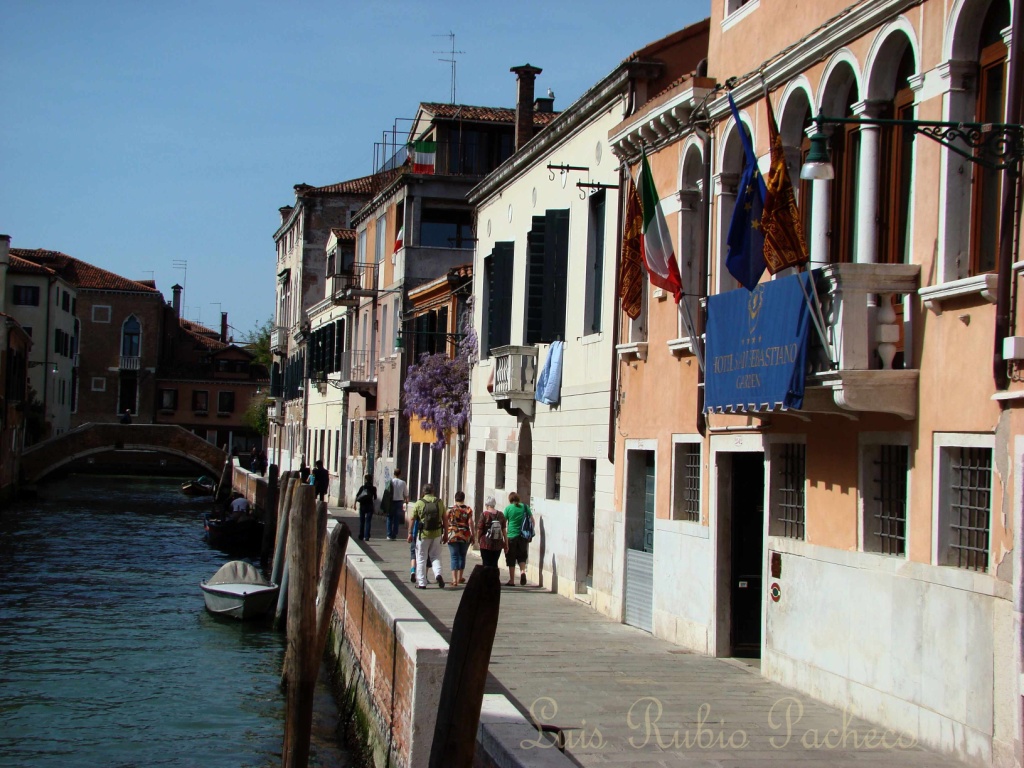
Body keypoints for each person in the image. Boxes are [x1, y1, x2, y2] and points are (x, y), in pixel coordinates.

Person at [408, 483, 445, 589]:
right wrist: (446, 533)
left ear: (424, 492)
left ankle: (422, 583)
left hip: (423, 535)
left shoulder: (419, 503)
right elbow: (445, 519)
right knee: (436, 556)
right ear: (433, 491)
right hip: (437, 533)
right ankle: (438, 574)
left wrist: (410, 533)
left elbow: (412, 519)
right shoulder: (439, 502)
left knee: (421, 558)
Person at [444, 491, 475, 587]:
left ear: (455, 498)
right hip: (465, 535)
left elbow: (445, 521)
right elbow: (470, 523)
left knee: (454, 556)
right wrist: (473, 535)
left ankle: (454, 580)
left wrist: (444, 533)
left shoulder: (450, 510)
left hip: (452, 534)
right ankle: (460, 577)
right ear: (463, 499)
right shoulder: (468, 510)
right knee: (462, 555)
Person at [503, 491, 531, 586]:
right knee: (522, 556)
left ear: (510, 499)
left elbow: (503, 522)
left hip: (511, 536)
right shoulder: (525, 507)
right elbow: (532, 521)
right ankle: (522, 572)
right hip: (523, 536)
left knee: (511, 558)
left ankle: (512, 580)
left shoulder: (508, 508)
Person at [476, 496, 507, 569]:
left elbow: (479, 529)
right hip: (498, 544)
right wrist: (506, 543)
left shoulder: (484, 514)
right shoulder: (501, 515)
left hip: (485, 543)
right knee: (494, 564)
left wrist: (478, 539)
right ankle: (494, 579)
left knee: (486, 564)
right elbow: (504, 530)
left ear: (487, 505)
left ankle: (487, 579)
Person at [386, 467, 408, 541]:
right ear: (400, 474)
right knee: (396, 519)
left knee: (389, 518)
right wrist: (406, 500)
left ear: (394, 474)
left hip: (391, 502)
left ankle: (389, 534)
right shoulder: (403, 483)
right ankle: (394, 535)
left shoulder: (390, 481)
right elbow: (406, 493)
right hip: (399, 502)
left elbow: (387, 492)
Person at [355, 473, 376, 541]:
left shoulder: (362, 487)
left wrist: (355, 504)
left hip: (363, 505)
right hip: (370, 506)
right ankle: (367, 536)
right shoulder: (373, 488)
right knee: (368, 521)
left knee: (362, 521)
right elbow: (375, 498)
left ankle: (361, 535)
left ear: (365, 479)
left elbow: (357, 496)